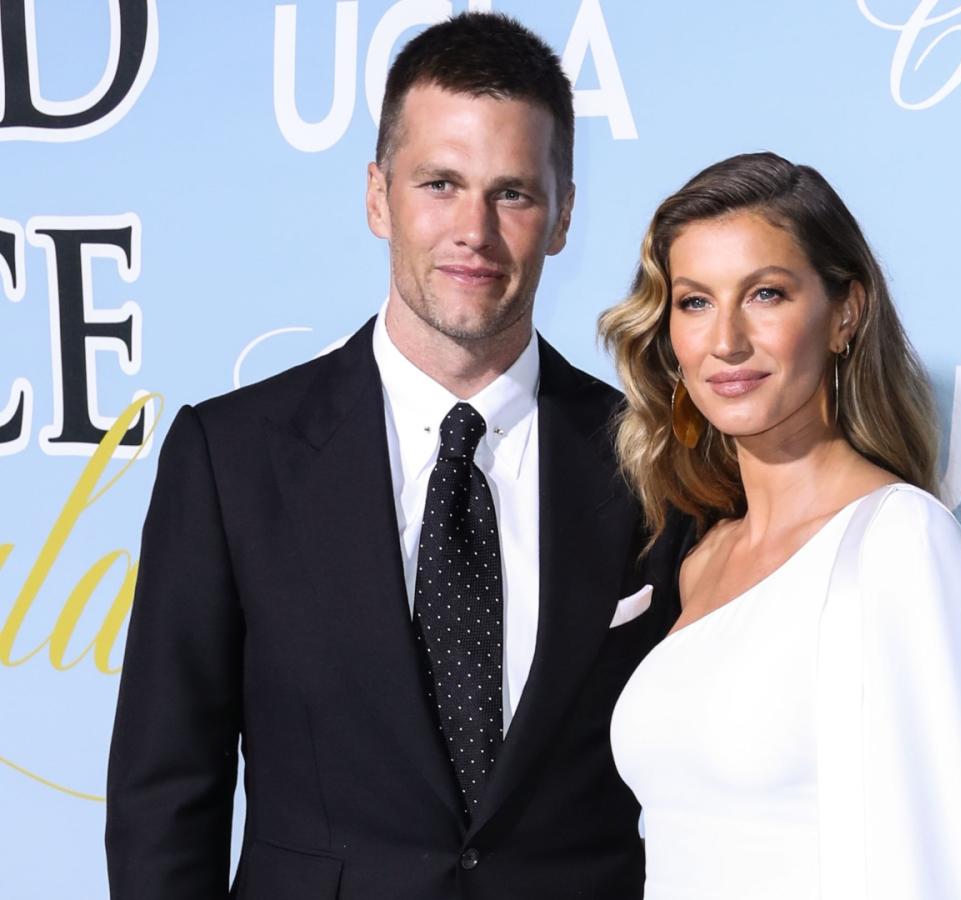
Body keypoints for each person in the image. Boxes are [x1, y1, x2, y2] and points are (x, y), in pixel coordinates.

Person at [106, 13, 683, 900]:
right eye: (440, 184)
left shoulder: (652, 463)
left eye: (514, 193)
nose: (474, 232)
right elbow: (164, 799)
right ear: (377, 196)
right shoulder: (231, 458)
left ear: (563, 214)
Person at [601, 153, 961, 899]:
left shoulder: (899, 544)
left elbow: (947, 864)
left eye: (765, 294)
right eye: (694, 302)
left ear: (845, 314)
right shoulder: (697, 556)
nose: (725, 340)